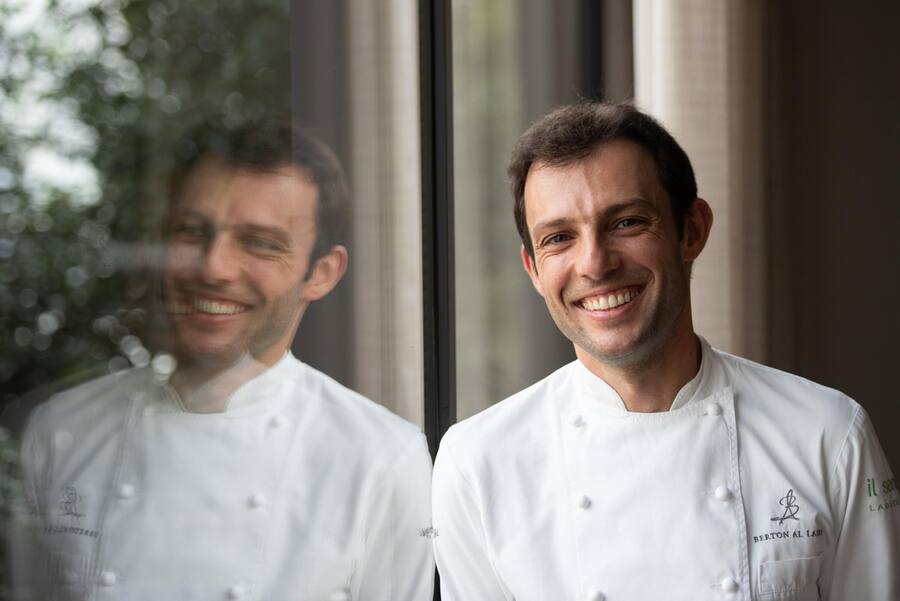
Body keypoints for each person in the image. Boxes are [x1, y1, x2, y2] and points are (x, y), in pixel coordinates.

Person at [432, 102, 898, 600]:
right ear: (533, 269)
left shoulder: (828, 434)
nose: (595, 263)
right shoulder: (477, 465)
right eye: (560, 238)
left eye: (627, 222)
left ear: (692, 230)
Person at [12, 121, 434, 601]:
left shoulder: (383, 459)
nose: (213, 267)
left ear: (321, 273)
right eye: (193, 232)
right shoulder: (63, 430)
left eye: (260, 242)